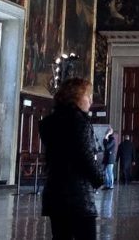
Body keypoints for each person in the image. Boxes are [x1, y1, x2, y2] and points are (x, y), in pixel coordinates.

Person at [39, 77, 105, 240]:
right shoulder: (80, 122)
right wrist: (99, 178)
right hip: (78, 194)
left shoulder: (49, 122)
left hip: (55, 191)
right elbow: (85, 157)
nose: (91, 100)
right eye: (88, 95)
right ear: (76, 97)